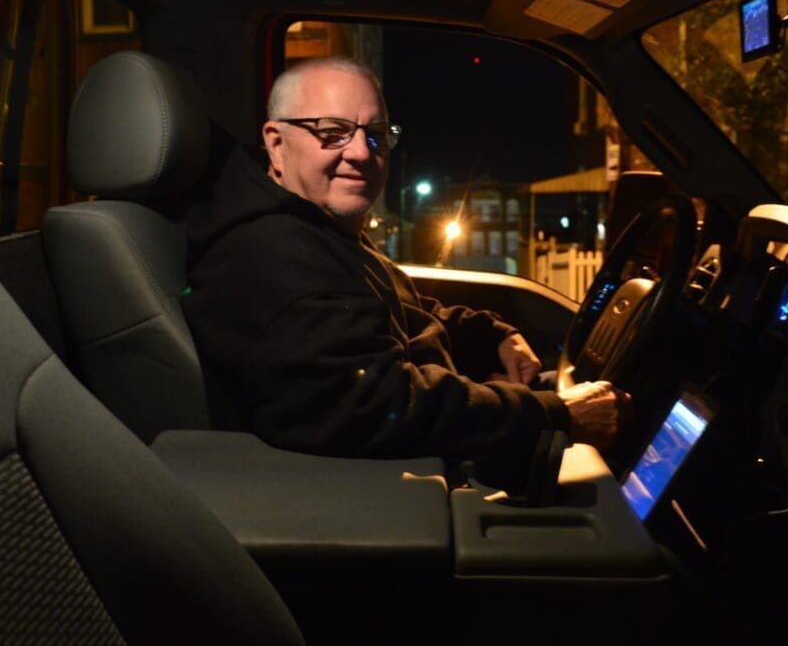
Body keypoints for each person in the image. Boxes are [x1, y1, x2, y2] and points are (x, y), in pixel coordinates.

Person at [183, 55, 628, 459]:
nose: (360, 153)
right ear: (277, 143)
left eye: (375, 135)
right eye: (332, 133)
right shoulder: (270, 256)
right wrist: (554, 415)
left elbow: (398, 311)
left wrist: (489, 335)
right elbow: (379, 405)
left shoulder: (316, 228)